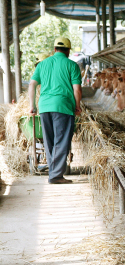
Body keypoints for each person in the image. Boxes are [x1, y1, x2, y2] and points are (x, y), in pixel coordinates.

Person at [28, 37, 82, 184]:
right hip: (63, 107)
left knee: (49, 141)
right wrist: (77, 106)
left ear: (54, 49)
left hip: (44, 107)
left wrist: (31, 106)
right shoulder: (72, 65)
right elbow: (77, 89)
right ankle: (56, 175)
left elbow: (32, 85)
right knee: (62, 141)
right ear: (68, 50)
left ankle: (54, 172)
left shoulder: (42, 64)